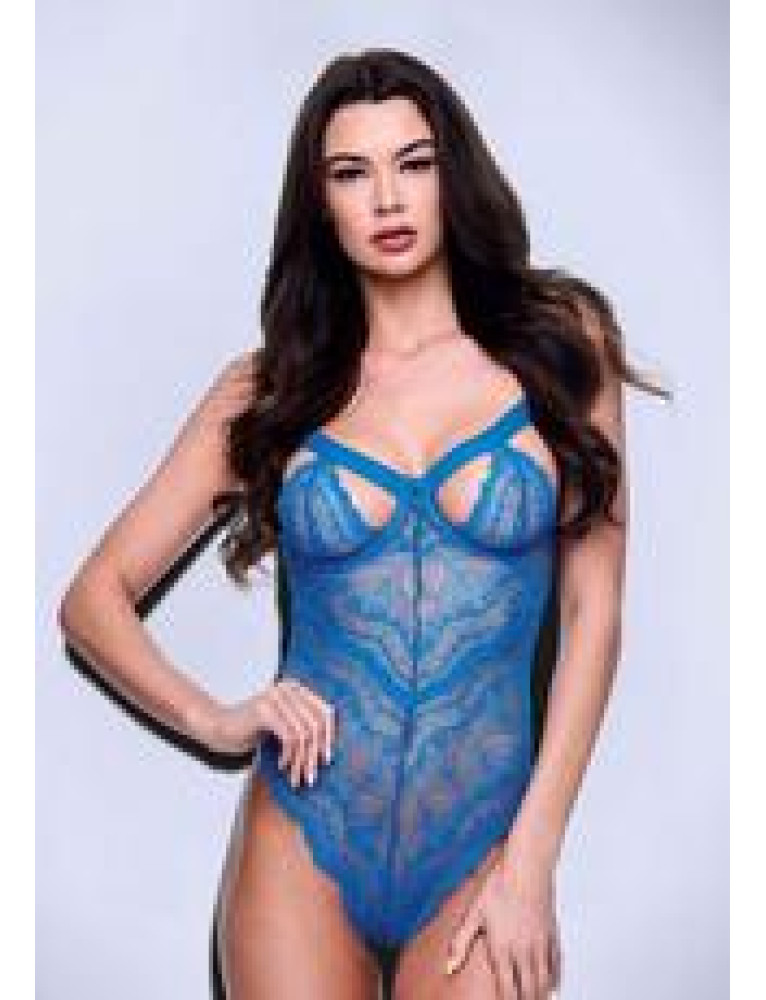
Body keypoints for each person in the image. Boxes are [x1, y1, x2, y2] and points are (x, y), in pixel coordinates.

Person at [59, 47, 668, 1000]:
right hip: (299, 841)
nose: (387, 198)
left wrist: (533, 863)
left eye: (413, 163)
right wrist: (218, 721)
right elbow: (93, 598)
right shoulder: (272, 391)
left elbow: (595, 616)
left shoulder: (562, 346)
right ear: (322, 203)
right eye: (351, 173)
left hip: (484, 845)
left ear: (452, 175)